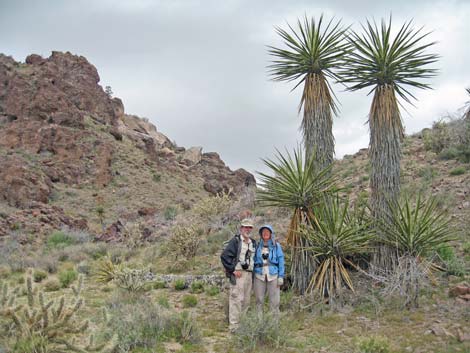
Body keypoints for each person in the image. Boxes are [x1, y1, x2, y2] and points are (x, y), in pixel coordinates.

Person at [220, 218, 257, 332]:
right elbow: (224, 256)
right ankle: (234, 327)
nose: (248, 229)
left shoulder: (253, 243)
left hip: (249, 275)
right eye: (246, 227)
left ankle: (243, 325)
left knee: (246, 300)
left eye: (250, 227)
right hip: (238, 275)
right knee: (236, 300)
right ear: (241, 228)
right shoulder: (236, 241)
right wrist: (232, 270)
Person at [253, 224, 285, 316]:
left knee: (274, 300)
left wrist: (281, 276)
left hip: (273, 275)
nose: (265, 234)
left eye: (267, 232)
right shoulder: (257, 246)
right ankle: (259, 322)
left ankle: (274, 324)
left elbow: (281, 260)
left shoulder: (276, 246)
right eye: (263, 232)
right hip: (259, 275)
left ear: (271, 233)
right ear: (260, 234)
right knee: (259, 300)